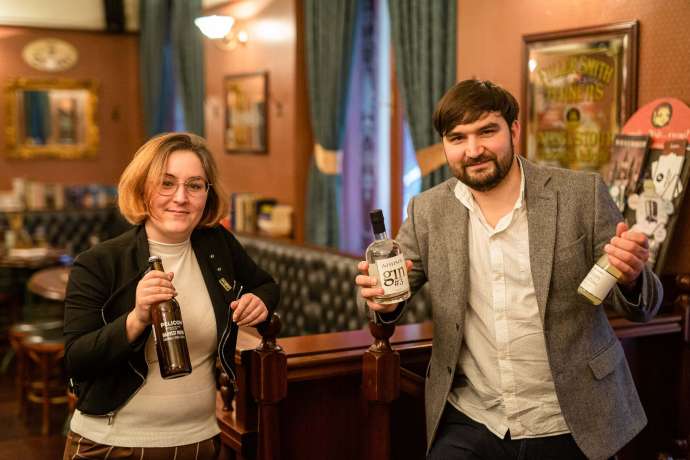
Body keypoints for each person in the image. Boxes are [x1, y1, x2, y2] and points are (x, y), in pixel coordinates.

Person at [356, 80, 662, 460]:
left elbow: (643, 305)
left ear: (514, 129)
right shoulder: (428, 211)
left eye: (487, 131)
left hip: (571, 418)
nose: (473, 150)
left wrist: (632, 277)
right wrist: (381, 303)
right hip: (472, 417)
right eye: (457, 138)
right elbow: (390, 289)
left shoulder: (581, 195)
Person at [62, 132, 279, 459]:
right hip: (111, 444)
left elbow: (266, 285)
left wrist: (260, 301)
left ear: (207, 193)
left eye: (194, 185)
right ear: (142, 188)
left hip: (200, 441)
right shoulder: (98, 262)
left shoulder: (216, 244)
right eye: (166, 183)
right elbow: (75, 360)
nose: (181, 197)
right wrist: (135, 320)